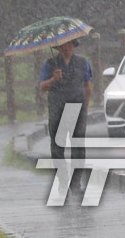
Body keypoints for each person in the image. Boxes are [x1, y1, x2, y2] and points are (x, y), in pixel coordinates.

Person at [38, 38, 92, 183]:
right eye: (63, 45)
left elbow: (87, 86)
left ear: (74, 46)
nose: (66, 47)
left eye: (69, 44)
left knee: (78, 147)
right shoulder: (50, 64)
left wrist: (85, 107)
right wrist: (54, 79)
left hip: (77, 109)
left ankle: (76, 182)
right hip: (57, 109)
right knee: (57, 147)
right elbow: (42, 87)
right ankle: (62, 179)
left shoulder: (82, 63)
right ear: (58, 47)